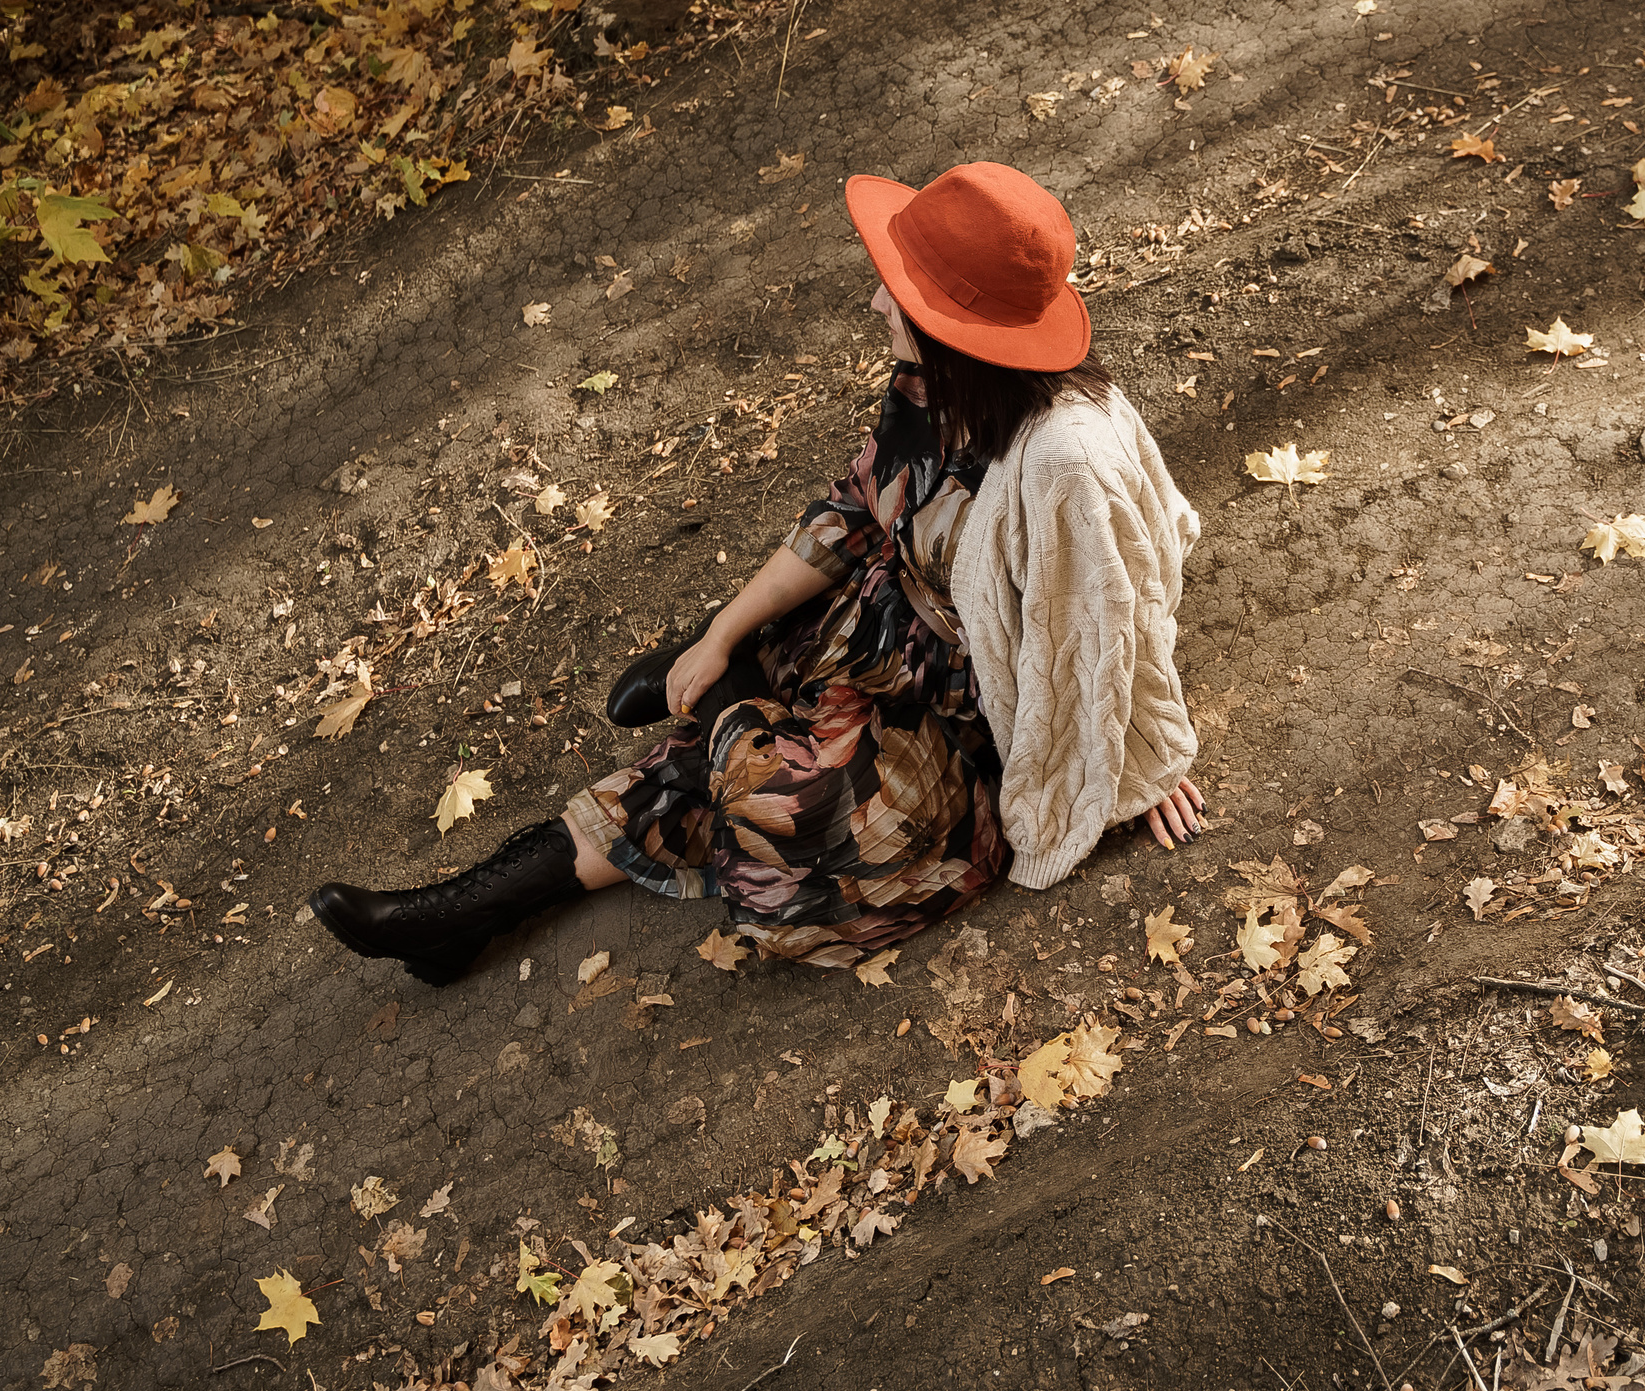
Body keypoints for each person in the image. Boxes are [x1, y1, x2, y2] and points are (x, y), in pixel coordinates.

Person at [310, 162, 1206, 985]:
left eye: (895, 293)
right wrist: (721, 630)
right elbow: (852, 511)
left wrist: (1136, 765)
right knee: (719, 757)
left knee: (784, 809)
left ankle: (730, 708)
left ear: (951, 329)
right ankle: (466, 913)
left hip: (958, 722)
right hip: (869, 640)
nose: (874, 304)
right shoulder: (933, 388)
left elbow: (1103, 618)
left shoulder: (1064, 461)